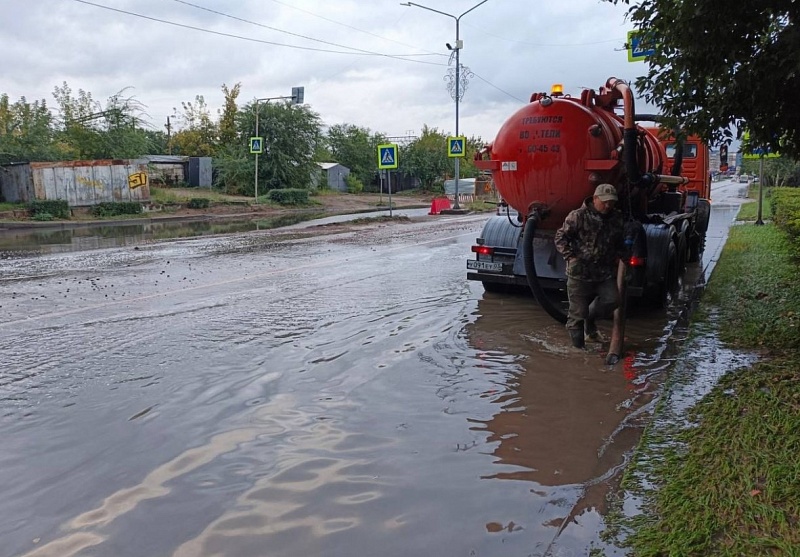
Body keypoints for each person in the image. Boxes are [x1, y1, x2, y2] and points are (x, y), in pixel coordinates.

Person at [554, 183, 626, 348]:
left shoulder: (616, 218)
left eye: (612, 202)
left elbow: (619, 242)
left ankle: (590, 320)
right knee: (577, 315)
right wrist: (570, 257)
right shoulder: (578, 216)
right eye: (605, 201)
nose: (608, 205)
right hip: (579, 273)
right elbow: (560, 237)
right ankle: (579, 351)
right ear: (595, 199)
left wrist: (625, 257)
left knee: (613, 300)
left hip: (603, 273)